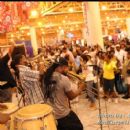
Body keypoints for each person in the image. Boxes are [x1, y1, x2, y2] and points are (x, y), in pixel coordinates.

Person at [42, 57, 84, 130]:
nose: (67, 70)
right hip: (63, 115)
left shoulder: (45, 77)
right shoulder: (64, 78)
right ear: (62, 67)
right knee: (79, 127)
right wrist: (80, 88)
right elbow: (71, 96)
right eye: (67, 68)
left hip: (52, 115)